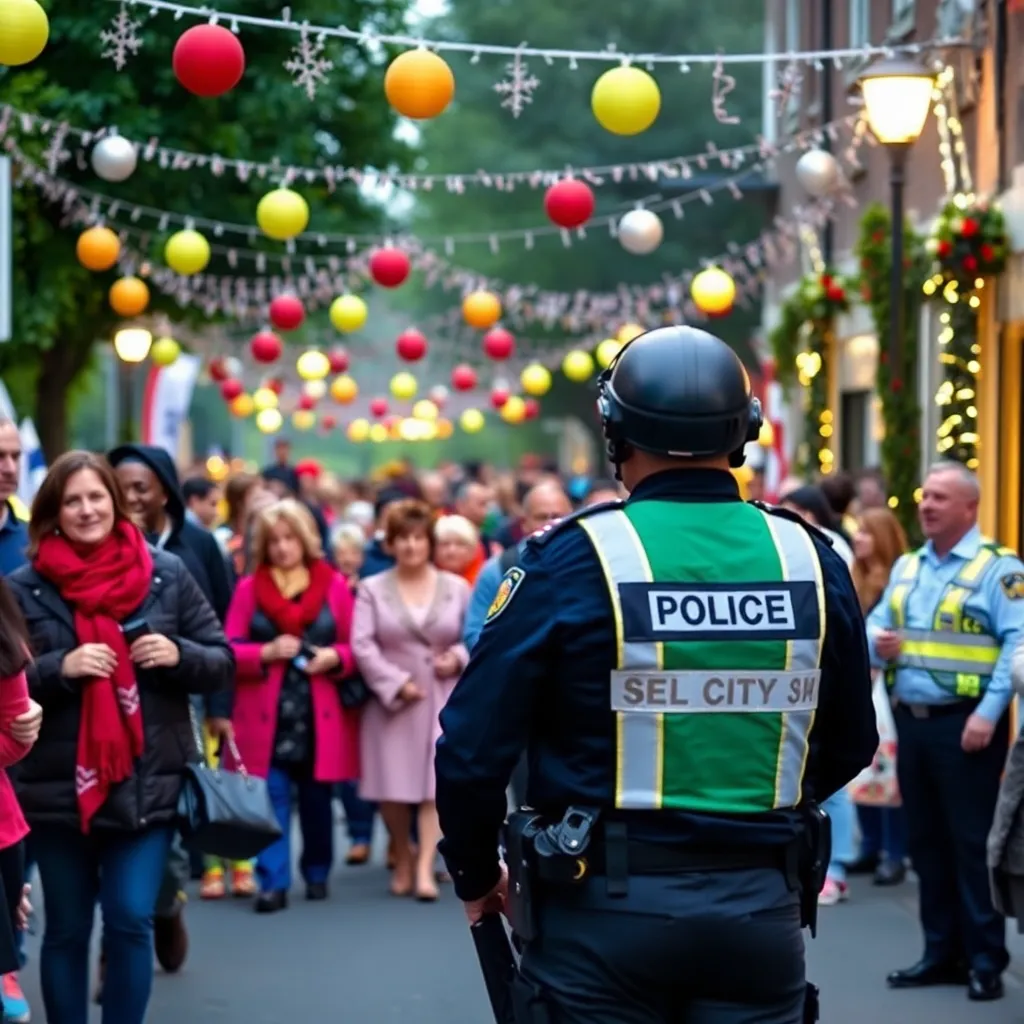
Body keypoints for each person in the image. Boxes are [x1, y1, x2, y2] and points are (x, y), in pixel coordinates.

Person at [436, 325, 878, 1024]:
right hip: (759, 914)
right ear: (742, 435)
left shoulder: (566, 559)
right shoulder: (810, 558)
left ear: (614, 435)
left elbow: (469, 747)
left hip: (600, 916)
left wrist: (475, 869)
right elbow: (852, 740)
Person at [5, 450, 234, 1024]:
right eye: (73, 500)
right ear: (53, 512)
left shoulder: (165, 573)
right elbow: (7, 681)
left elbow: (222, 660)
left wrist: (179, 654)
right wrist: (61, 667)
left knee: (131, 918)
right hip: (57, 792)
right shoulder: (22, 588)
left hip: (146, 785)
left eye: (96, 497)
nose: (87, 510)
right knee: (67, 929)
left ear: (116, 502)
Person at [866, 461, 1024, 1002]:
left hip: (968, 725)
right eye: (923, 495)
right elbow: (875, 624)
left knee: (972, 843)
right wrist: (876, 642)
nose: (926, 505)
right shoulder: (908, 566)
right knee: (926, 842)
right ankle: (939, 952)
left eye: (938, 497)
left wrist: (990, 712)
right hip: (914, 723)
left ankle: (984, 959)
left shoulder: (998, 570)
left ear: (968, 507)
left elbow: (1017, 644)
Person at [224, 499, 359, 913]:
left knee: (318, 801)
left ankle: (317, 870)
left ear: (304, 541)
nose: (282, 548)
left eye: (289, 539)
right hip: (267, 714)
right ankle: (273, 881)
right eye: (274, 541)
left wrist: (336, 658)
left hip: (320, 714)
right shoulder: (249, 588)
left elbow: (356, 645)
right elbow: (227, 647)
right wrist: (264, 652)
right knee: (272, 797)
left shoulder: (333, 585)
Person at [352, 500, 470, 901]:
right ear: (391, 544)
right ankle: (402, 852)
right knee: (393, 790)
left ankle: (423, 868)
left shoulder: (456, 587)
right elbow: (362, 644)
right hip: (392, 702)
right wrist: (395, 682)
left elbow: (474, 637)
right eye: (403, 538)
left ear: (429, 542)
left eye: (419, 538)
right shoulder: (371, 588)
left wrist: (456, 657)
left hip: (442, 696)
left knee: (433, 787)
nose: (411, 546)